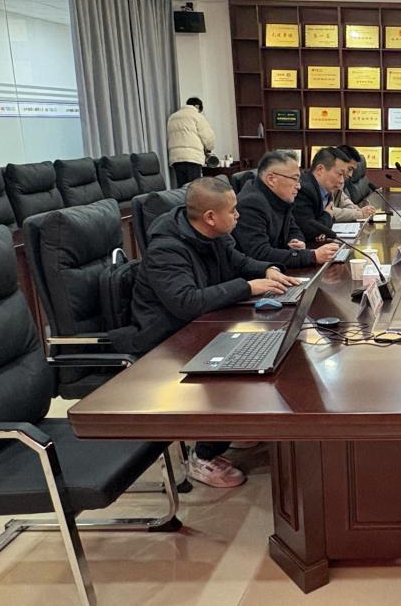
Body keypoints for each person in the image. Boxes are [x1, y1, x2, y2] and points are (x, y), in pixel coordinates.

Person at [112, 177, 302, 488]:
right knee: (238, 366)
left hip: (201, 324)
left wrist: (266, 269)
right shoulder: (166, 249)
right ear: (211, 217)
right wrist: (247, 287)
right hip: (166, 339)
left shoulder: (215, 236)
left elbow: (239, 261)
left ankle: (232, 426)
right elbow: (186, 303)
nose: (238, 215)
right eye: (233, 210)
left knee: (269, 346)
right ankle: (202, 456)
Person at [233, 151, 339, 269]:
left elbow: (293, 229)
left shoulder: (279, 197)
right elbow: (259, 253)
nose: (299, 186)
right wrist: (311, 256)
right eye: (295, 179)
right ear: (271, 179)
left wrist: (296, 241)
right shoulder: (251, 203)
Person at [293, 147, 348, 241]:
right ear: (320, 169)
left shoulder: (326, 189)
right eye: (339, 174)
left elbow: (330, 220)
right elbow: (308, 230)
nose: (342, 181)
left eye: (344, 176)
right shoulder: (304, 189)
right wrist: (327, 215)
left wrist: (323, 227)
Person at [166, 97, 215, 187]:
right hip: (192, 157)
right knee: (194, 187)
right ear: (197, 106)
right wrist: (209, 149)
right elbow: (208, 137)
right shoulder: (197, 116)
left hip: (176, 158)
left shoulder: (172, 117)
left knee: (182, 189)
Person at [328, 146, 377, 221]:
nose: (351, 175)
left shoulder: (340, 180)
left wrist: (357, 209)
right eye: (349, 169)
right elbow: (327, 211)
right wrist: (359, 214)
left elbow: (343, 200)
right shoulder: (321, 183)